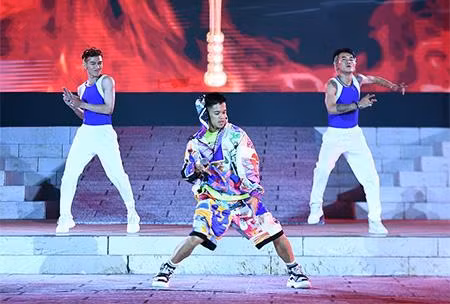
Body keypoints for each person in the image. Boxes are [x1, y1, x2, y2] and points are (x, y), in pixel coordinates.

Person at [152, 93, 310, 290]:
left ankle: (295, 272)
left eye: (224, 112)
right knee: (197, 235)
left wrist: (254, 194)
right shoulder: (195, 143)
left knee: (276, 233)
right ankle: (166, 270)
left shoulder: (237, 135)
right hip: (213, 199)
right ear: (205, 115)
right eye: (217, 113)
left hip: (242, 199)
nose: (222, 117)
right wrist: (196, 168)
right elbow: (186, 172)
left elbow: (250, 164)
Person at [307, 48, 406, 235]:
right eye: (344, 59)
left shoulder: (358, 79)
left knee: (371, 178)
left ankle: (375, 221)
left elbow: (375, 79)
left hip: (354, 136)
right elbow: (331, 109)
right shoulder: (333, 84)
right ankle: (316, 207)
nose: (349, 61)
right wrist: (358, 105)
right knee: (322, 170)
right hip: (335, 136)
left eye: (352, 59)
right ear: (336, 65)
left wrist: (393, 86)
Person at [56, 47, 140, 234]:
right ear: (84, 65)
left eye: (99, 63)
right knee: (69, 175)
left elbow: (108, 109)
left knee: (116, 175)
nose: (97, 66)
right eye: (93, 63)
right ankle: (65, 217)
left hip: (104, 133)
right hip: (85, 133)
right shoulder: (81, 88)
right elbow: (84, 115)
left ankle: (132, 213)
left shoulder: (107, 81)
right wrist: (73, 106)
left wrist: (81, 103)